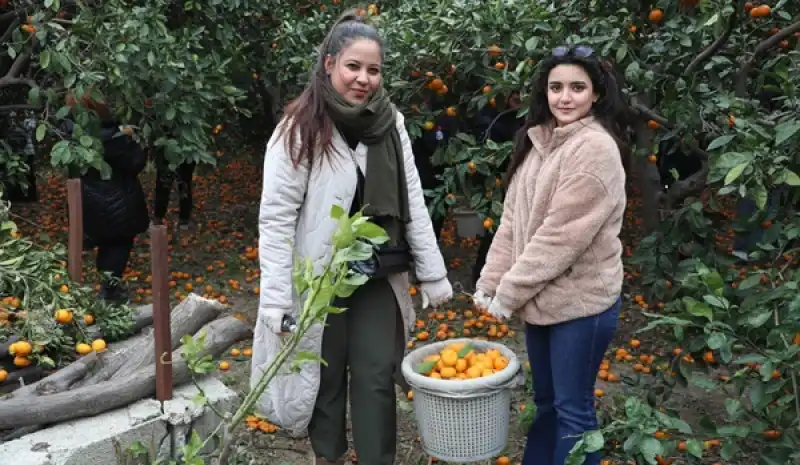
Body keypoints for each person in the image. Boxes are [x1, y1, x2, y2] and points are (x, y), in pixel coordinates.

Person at [250, 10, 452, 465]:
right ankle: (328, 457)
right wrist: (277, 298)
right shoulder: (299, 129)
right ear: (329, 65)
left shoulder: (390, 122)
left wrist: (433, 272)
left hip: (379, 274)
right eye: (353, 67)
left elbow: (413, 199)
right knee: (324, 377)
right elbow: (277, 219)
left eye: (374, 70)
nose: (364, 79)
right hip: (321, 279)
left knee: (377, 375)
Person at [473, 45, 629, 465]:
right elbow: (512, 221)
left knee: (573, 411)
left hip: (581, 305)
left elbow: (559, 239)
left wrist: (508, 293)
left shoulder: (594, 149)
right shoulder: (540, 141)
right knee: (546, 404)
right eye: (556, 87)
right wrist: (490, 280)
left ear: (595, 94)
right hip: (542, 301)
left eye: (577, 88)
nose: (565, 97)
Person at [64, 91, 150, 303]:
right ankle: (109, 293)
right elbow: (135, 163)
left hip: (87, 200)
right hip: (116, 200)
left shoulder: (68, 133)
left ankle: (105, 289)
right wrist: (133, 139)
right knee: (118, 242)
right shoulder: (111, 136)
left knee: (105, 240)